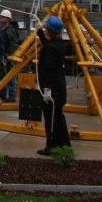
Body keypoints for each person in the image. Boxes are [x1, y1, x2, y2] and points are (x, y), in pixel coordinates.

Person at [36, 15, 71, 155]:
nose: (45, 31)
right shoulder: (59, 44)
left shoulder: (51, 48)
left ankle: (51, 146)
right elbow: (48, 46)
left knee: (50, 117)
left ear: (50, 31)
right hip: (59, 86)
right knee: (59, 116)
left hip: (52, 88)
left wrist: (47, 91)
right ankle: (65, 144)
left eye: (46, 29)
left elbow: (49, 70)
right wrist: (39, 32)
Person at [0, 8, 20, 102]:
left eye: (3, 17)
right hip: (4, 56)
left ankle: (12, 95)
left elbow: (12, 44)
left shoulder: (10, 31)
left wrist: (10, 56)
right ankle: (3, 94)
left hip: (8, 57)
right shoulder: (4, 29)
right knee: (3, 75)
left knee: (10, 76)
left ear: (7, 19)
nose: (1, 18)